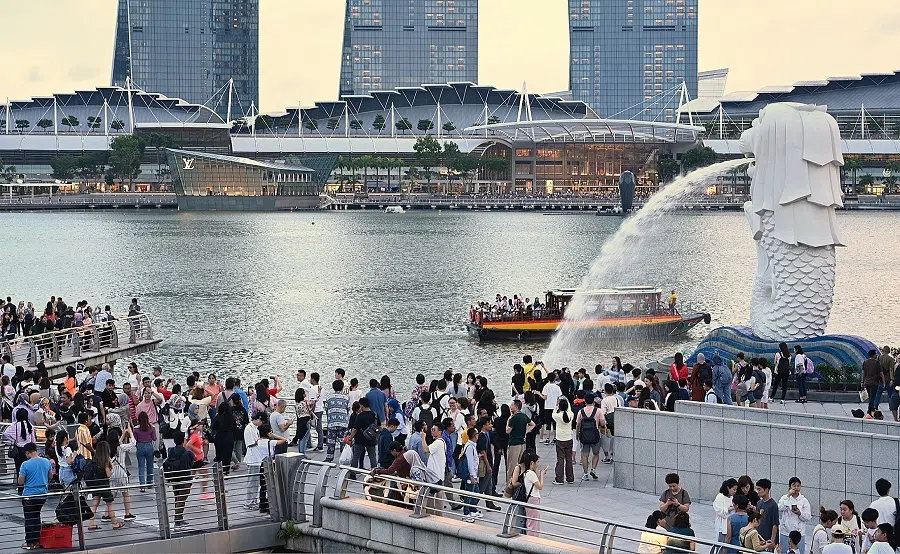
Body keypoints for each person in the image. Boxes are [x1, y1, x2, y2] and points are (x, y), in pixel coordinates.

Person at [18, 442, 52, 550]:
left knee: (29, 518)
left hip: (29, 495)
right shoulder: (46, 462)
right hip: (42, 495)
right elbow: (50, 476)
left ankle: (30, 542)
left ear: (28, 452)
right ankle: (37, 541)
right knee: (37, 517)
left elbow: (21, 481)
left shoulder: (25, 464)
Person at [86, 441, 124, 530]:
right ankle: (115, 523)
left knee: (95, 504)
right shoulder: (106, 460)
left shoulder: (95, 459)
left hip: (95, 484)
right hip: (104, 485)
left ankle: (91, 523)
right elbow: (108, 475)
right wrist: (112, 467)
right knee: (110, 504)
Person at [778, 477, 812, 554]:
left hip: (798, 533)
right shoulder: (785, 497)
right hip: (786, 532)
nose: (796, 488)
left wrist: (800, 513)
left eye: (798, 486)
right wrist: (788, 496)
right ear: (790, 486)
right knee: (784, 551)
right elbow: (780, 508)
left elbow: (808, 517)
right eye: (794, 485)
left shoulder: (804, 500)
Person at [4, 408, 36, 489]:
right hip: (28, 450)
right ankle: (29, 486)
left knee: (19, 468)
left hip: (19, 450)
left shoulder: (15, 425)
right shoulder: (30, 425)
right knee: (30, 468)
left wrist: (14, 440)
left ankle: (20, 487)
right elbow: (33, 440)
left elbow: (6, 433)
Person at [576, 393, 605, 481]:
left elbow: (578, 424)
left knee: (585, 455)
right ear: (593, 401)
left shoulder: (581, 411)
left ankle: (585, 474)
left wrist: (577, 435)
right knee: (596, 453)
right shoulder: (598, 411)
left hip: (584, 436)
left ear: (585, 400)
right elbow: (603, 423)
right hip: (596, 436)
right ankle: (593, 469)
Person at [422, 422, 447, 516]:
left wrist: (423, 438)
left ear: (440, 432)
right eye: (431, 429)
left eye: (434, 430)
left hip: (435, 475)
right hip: (437, 474)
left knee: (434, 499)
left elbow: (426, 450)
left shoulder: (438, 443)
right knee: (437, 498)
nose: (432, 432)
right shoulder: (440, 443)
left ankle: (435, 517)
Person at [505, 400, 532, 483]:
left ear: (516, 407)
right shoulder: (524, 416)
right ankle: (521, 482)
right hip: (522, 443)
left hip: (514, 443)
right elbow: (533, 424)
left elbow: (507, 431)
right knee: (521, 464)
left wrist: (508, 420)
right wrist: (526, 432)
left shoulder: (513, 418)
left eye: (512, 405)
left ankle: (509, 486)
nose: (510, 406)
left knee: (511, 466)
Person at [323, 380, 350, 462]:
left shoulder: (329, 397)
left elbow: (326, 409)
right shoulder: (346, 398)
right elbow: (348, 409)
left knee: (331, 441)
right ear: (342, 387)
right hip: (343, 423)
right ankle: (343, 458)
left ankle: (329, 458)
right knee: (343, 441)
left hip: (332, 422)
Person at [349, 397, 378, 471]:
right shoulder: (374, 414)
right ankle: (374, 472)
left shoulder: (360, 416)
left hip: (360, 440)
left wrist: (350, 438)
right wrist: (376, 437)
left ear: (362, 405)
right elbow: (379, 427)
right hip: (371, 439)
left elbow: (355, 429)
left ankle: (353, 473)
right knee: (372, 456)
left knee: (356, 456)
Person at [522, 451, 546, 537]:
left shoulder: (527, 473)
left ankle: (531, 537)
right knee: (534, 522)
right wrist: (542, 475)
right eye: (537, 462)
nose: (538, 464)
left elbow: (535, 484)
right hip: (533, 499)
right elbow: (540, 486)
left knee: (531, 521)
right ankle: (533, 539)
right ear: (532, 463)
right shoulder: (531, 473)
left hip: (529, 499)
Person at [552, 397, 575, 484]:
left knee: (560, 459)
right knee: (569, 459)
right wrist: (567, 401)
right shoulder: (571, 415)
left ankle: (559, 478)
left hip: (560, 439)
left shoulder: (557, 416)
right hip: (569, 438)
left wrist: (556, 405)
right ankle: (570, 478)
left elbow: (553, 412)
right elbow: (569, 409)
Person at [211, 401, 237, 475]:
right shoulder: (232, 418)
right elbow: (234, 428)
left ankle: (219, 469)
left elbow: (213, 427)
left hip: (219, 437)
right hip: (229, 437)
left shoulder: (217, 417)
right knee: (228, 455)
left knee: (219, 454)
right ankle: (226, 471)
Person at [134, 411, 157, 489]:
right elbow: (154, 438)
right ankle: (149, 483)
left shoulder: (136, 429)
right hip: (149, 446)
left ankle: (142, 485)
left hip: (140, 446)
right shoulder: (151, 427)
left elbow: (135, 440)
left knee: (141, 467)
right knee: (150, 466)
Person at [714, 479, 738, 543]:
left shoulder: (732, 498)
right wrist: (732, 508)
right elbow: (719, 510)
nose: (735, 491)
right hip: (722, 526)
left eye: (736, 490)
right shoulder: (720, 496)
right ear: (728, 488)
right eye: (733, 489)